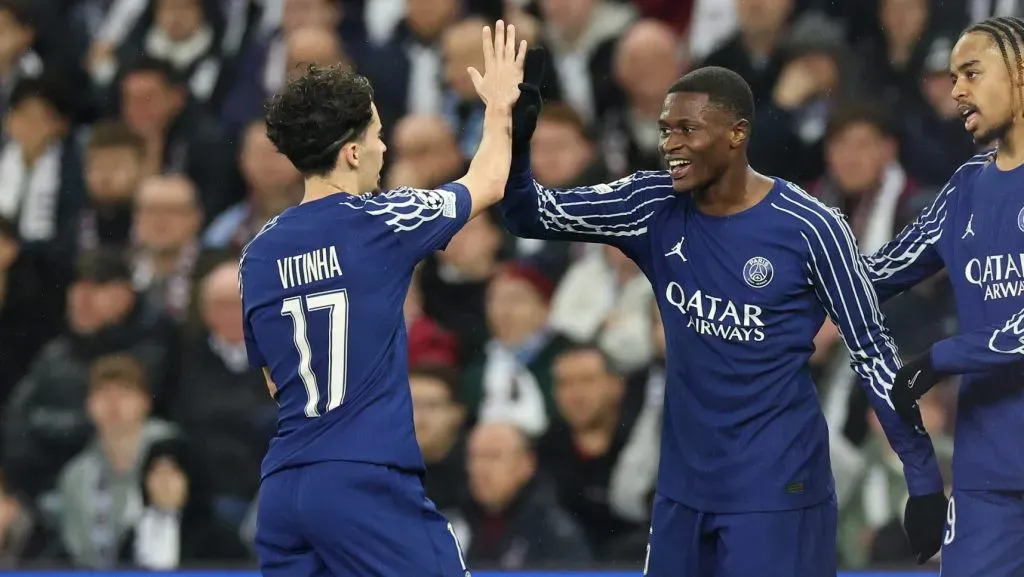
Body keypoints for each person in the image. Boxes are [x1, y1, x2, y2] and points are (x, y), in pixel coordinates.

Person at [500, 62, 947, 576]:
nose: (671, 144)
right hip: (683, 489)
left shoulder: (810, 227)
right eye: (665, 130)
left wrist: (923, 481)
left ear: (737, 134)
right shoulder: (650, 204)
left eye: (688, 129)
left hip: (778, 490)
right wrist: (518, 141)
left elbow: (873, 352)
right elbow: (528, 215)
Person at [238, 21, 527, 577]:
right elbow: (489, 181)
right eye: (376, 135)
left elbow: (276, 380)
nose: (384, 147)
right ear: (351, 153)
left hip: (281, 490)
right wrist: (498, 106)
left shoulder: (256, 253)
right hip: (364, 481)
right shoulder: (383, 220)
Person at [865, 15, 1024, 577]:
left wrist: (939, 359)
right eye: (953, 77)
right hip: (988, 472)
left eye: (972, 73)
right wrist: (788, 272)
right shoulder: (964, 188)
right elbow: (874, 273)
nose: (956, 90)